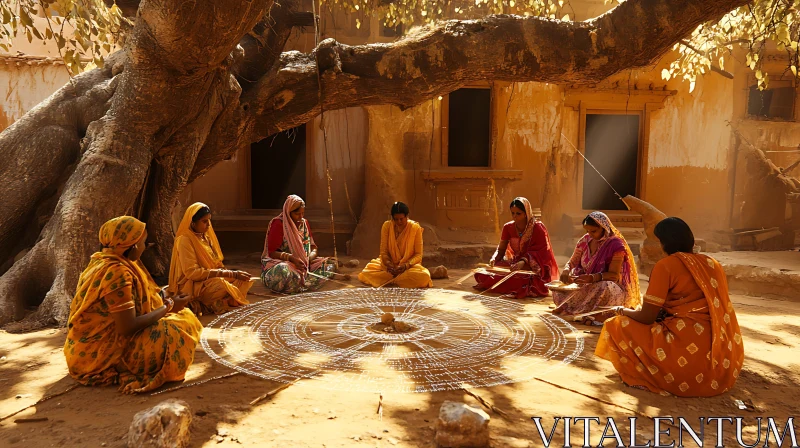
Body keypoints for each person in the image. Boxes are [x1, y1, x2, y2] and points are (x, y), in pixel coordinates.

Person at [595, 217, 744, 397]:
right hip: (722, 363)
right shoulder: (713, 263)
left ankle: (644, 377)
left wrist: (622, 310)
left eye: (654, 241)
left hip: (686, 364)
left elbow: (648, 316)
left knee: (617, 325)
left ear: (663, 243)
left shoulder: (666, 266)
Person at [64, 216, 203, 394]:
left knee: (181, 317)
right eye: (144, 243)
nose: (145, 248)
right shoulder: (117, 272)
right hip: (100, 354)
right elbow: (127, 326)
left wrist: (162, 296)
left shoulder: (100, 260)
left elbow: (134, 299)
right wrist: (168, 306)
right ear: (134, 245)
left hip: (81, 349)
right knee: (179, 326)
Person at [553, 211, 641, 322]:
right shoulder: (585, 240)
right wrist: (566, 269)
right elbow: (573, 261)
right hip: (585, 284)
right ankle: (585, 309)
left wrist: (592, 278)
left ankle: (595, 313)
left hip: (606, 287)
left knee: (605, 286)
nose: (590, 234)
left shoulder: (616, 245)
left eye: (593, 231)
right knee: (558, 291)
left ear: (604, 227)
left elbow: (613, 276)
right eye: (587, 231)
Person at [169, 202, 252, 315]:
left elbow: (217, 263)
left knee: (244, 280)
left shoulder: (205, 237)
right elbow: (192, 273)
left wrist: (232, 273)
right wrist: (231, 274)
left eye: (209, 220)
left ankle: (220, 301)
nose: (208, 225)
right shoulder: (185, 240)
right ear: (193, 223)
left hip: (209, 279)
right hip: (193, 285)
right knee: (222, 285)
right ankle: (209, 303)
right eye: (204, 221)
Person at [473, 197, 559, 298]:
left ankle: (516, 286)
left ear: (526, 213)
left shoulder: (538, 228)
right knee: (483, 274)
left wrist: (523, 262)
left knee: (519, 279)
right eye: (512, 213)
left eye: (518, 213)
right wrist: (494, 258)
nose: (515, 216)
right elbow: (501, 249)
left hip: (533, 268)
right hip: (514, 264)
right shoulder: (508, 227)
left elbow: (543, 252)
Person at [261, 194, 347, 294]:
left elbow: (313, 248)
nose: (300, 217)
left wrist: (308, 259)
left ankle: (301, 283)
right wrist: (292, 259)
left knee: (330, 263)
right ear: (288, 212)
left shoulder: (304, 223)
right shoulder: (278, 224)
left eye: (303, 213)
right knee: (282, 271)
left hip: (303, 265)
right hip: (283, 263)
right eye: (297, 214)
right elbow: (272, 252)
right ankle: (300, 282)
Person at [358, 201, 433, 288]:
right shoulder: (386, 226)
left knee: (424, 276)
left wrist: (405, 265)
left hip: (408, 268)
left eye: (401, 219)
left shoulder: (415, 228)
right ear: (392, 218)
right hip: (390, 268)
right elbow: (383, 252)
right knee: (367, 272)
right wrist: (389, 264)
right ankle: (398, 281)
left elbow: (418, 255)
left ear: (407, 216)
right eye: (396, 219)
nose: (399, 222)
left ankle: (393, 282)